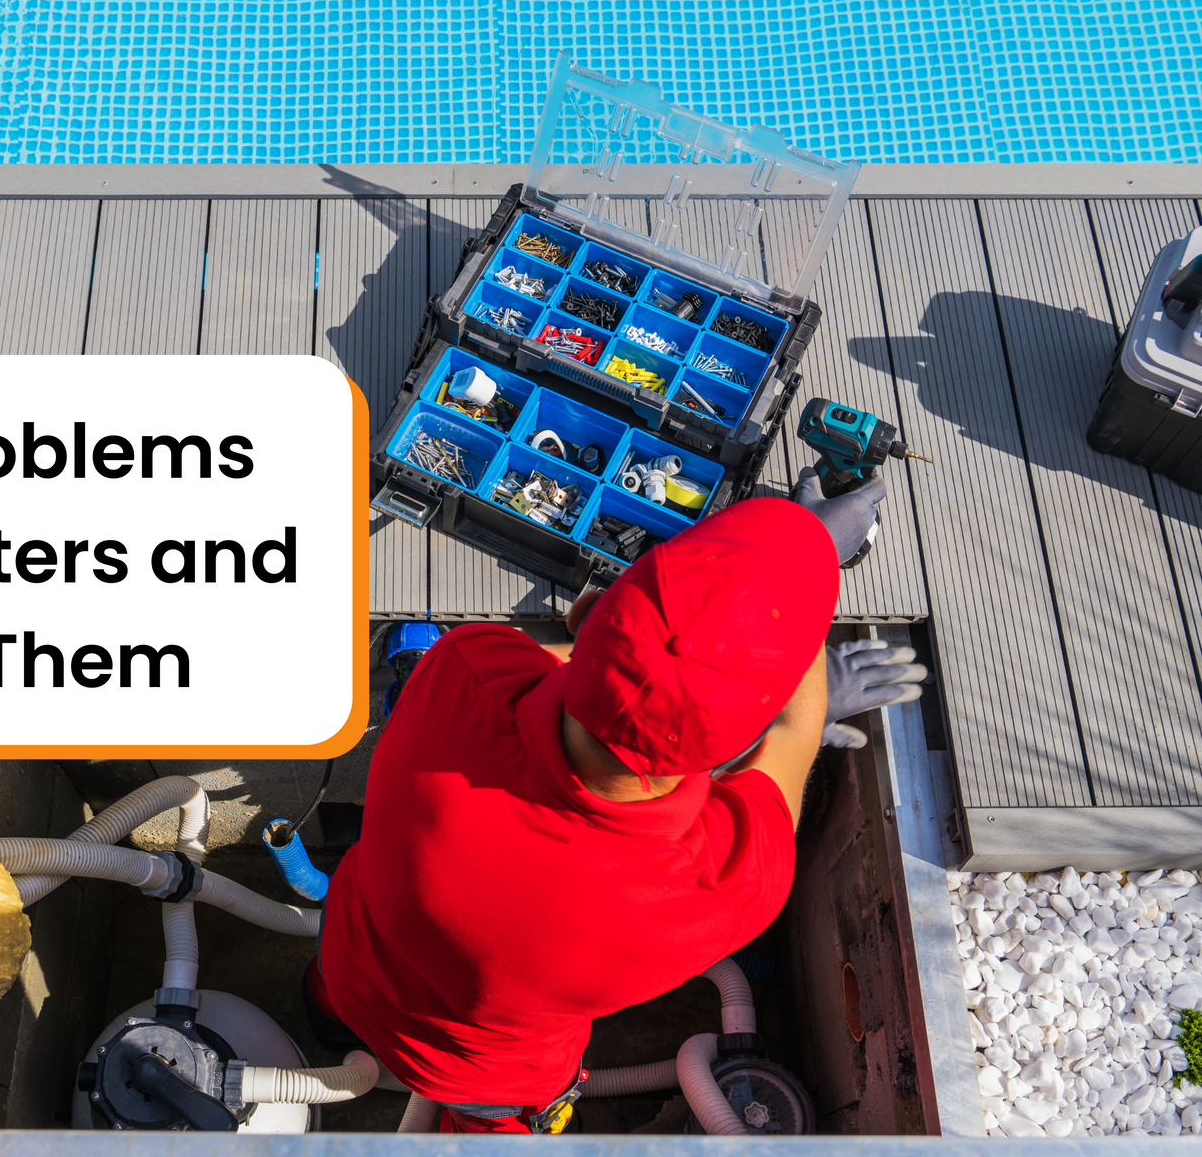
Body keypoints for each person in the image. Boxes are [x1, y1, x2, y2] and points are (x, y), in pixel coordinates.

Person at [306, 479, 926, 1133]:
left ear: (585, 613)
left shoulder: (463, 672)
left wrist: (787, 550)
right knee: (497, 1131)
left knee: (335, 990)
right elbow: (791, 743)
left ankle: (320, 1019)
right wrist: (800, 580)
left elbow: (618, 685)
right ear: (748, 735)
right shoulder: (722, 884)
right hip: (484, 1079)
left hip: (350, 958)